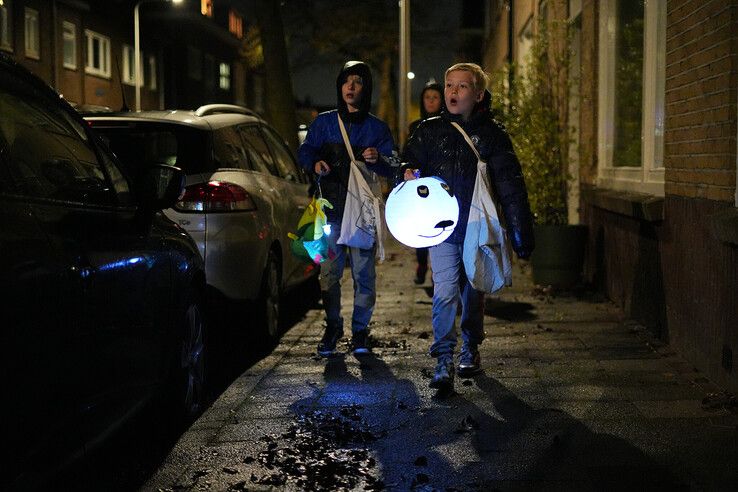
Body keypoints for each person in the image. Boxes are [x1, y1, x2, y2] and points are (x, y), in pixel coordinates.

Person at [403, 63, 534, 391]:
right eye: (449, 85)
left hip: (476, 225)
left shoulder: (492, 134)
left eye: (462, 87)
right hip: (441, 227)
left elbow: (510, 184)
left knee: (473, 289)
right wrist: (405, 171)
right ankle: (444, 356)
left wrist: (521, 233)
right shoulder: (428, 131)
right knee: (445, 289)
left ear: (478, 95)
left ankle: (471, 346)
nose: (452, 92)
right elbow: (407, 161)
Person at [298, 60, 396, 357]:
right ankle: (333, 326)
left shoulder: (377, 128)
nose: (351, 87)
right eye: (346, 82)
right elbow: (305, 152)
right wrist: (314, 163)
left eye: (357, 82)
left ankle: (361, 331)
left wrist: (377, 158)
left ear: (365, 88)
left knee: (364, 275)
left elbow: (392, 164)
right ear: (340, 87)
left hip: (362, 215)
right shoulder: (324, 123)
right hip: (330, 211)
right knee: (328, 275)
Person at [406, 80, 445, 285]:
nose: (430, 102)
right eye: (427, 98)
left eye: (435, 97)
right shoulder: (415, 127)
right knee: (421, 227)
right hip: (420, 183)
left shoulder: (447, 126)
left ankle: (437, 270)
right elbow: (409, 155)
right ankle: (421, 263)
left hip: (439, 184)